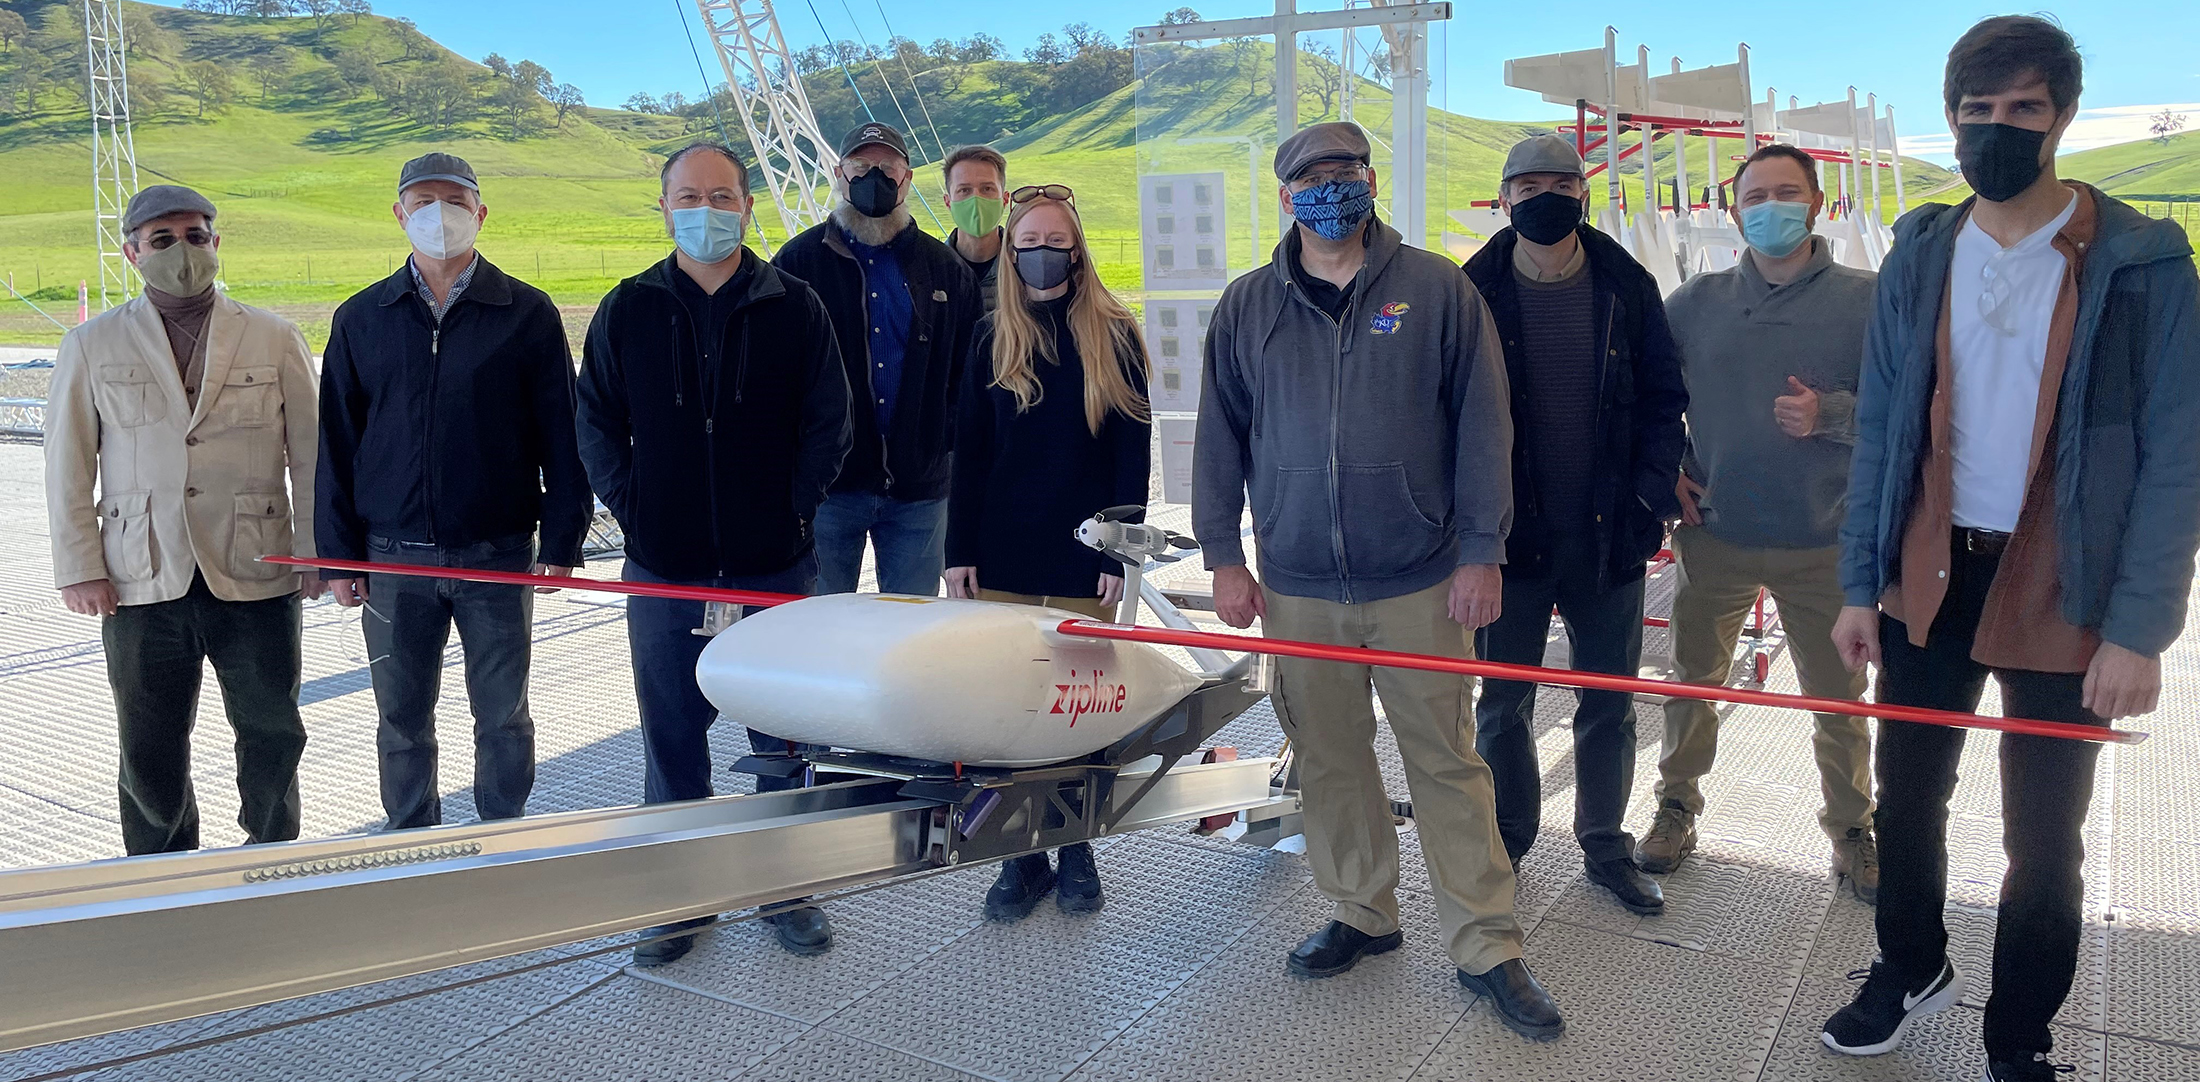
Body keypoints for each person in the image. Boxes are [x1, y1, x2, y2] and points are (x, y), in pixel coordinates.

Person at [1820, 18, 2200, 1082]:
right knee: (1905, 792)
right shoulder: (1923, 252)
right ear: (1950, 120)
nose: (1995, 130)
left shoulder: (2140, 262)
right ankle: (1908, 964)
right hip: (1930, 568)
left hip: (2061, 576)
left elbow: (2178, 455)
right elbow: (1889, 426)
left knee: (2043, 834)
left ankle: (2019, 1027)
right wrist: (1862, 581)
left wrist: (2137, 628)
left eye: (2022, 110)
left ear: (2062, 117)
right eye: (1976, 112)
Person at [1194, 120, 1563, 1041]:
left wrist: (1483, 550)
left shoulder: (1437, 289)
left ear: (1369, 179)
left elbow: (1486, 426)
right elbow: (1219, 437)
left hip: (1422, 579)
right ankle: (1363, 912)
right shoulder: (1247, 307)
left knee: (1445, 760)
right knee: (1329, 758)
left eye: (1345, 173)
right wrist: (1223, 557)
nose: (1331, 190)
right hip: (1297, 580)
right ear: (1287, 197)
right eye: (1311, 179)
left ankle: (1487, 944)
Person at [576, 142, 853, 965]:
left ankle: (783, 886)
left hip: (773, 566)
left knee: (782, 737)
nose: (707, 209)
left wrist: (788, 509)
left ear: (748, 205)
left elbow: (827, 426)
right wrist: (638, 511)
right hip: (666, 571)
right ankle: (682, 897)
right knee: (672, 736)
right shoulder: (628, 309)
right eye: (689, 196)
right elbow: (596, 425)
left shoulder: (795, 306)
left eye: (723, 195)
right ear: (663, 208)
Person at [317, 153, 593, 832]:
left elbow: (564, 434)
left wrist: (561, 539)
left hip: (497, 553)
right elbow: (337, 444)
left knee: (501, 714)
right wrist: (339, 556)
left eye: (454, 198)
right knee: (401, 716)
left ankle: (500, 833)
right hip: (392, 558)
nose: (438, 212)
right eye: (422, 199)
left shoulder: (525, 312)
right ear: (399, 213)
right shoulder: (363, 317)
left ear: (480, 211)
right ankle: (412, 838)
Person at [45, 185, 321, 854]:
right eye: (162, 239)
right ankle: (160, 873)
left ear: (216, 243)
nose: (182, 250)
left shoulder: (274, 335)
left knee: (273, 731)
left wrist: (316, 552)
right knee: (149, 740)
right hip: (140, 575)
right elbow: (67, 463)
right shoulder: (90, 344)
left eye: (196, 235)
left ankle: (272, 853)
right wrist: (80, 567)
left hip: (259, 568)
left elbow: (313, 456)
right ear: (132, 252)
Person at [1639, 144, 1880, 901]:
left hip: (1825, 541)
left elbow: (1911, 411)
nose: (1770, 207)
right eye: (1755, 196)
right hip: (1717, 532)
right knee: (1692, 684)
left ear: (1817, 201)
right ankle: (1676, 807)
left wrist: (1830, 414)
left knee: (1839, 699)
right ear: (1732, 207)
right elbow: (1646, 402)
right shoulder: (1692, 304)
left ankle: (1852, 829)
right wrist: (1667, 466)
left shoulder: (1868, 301)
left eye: (1787, 192)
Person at [1461, 134, 1687, 916]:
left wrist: (1648, 498)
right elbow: (1446, 415)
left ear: (1585, 191)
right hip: (1507, 540)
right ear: (1504, 196)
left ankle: (1605, 845)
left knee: (1608, 700)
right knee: (1502, 703)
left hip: (1608, 536)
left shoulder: (1627, 282)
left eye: (1561, 181)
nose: (1544, 195)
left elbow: (1665, 400)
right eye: (1528, 184)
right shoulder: (1472, 289)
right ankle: (1509, 840)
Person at [944, 185, 1152, 922]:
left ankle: (1076, 850)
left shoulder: (1115, 332)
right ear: (1011, 246)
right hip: (1000, 551)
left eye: (1054, 237)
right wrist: (957, 548)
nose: (1040, 249)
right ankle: (1019, 856)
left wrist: (1120, 548)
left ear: (1076, 245)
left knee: (1072, 712)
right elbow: (968, 455)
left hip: (1082, 552)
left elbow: (1132, 452)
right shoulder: (989, 335)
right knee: (1006, 709)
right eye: (1027, 237)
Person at [773, 122, 981, 597]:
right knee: (819, 626)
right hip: (829, 491)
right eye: (861, 167)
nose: (875, 178)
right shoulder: (796, 264)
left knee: (908, 636)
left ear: (907, 179)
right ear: (838, 174)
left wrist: (940, 439)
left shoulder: (945, 269)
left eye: (887, 168)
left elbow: (966, 376)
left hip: (920, 491)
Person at [942, 144, 1009, 316]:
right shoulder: (930, 269)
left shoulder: (1025, 269)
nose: (976, 199)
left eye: (987, 189)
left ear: (1005, 199)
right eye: (964, 190)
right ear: (948, 202)